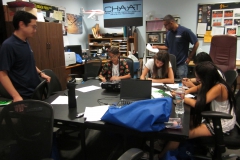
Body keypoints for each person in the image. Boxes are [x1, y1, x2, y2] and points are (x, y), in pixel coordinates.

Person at [157, 61, 236, 159]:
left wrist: (180, 96)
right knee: (175, 125)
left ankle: (160, 157)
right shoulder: (212, 82)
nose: (197, 80)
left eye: (199, 78)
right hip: (211, 117)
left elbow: (197, 104)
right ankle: (162, 143)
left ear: (206, 77)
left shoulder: (219, 87)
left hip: (220, 123)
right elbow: (198, 88)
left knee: (179, 134)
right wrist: (185, 92)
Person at [0, 11, 50, 104]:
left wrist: (40, 73)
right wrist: (16, 96)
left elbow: (27, 63)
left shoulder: (25, 41)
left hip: (34, 90)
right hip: (23, 95)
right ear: (22, 24)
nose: (35, 30)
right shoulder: (8, 45)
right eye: (33, 27)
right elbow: (2, 74)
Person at [153, 14, 199, 79]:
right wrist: (157, 47)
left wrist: (189, 58)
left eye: (166, 25)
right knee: (169, 82)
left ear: (171, 23)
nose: (165, 27)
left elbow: (196, 43)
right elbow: (167, 47)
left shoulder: (185, 31)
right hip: (170, 63)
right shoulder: (169, 33)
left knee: (182, 84)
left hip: (181, 64)